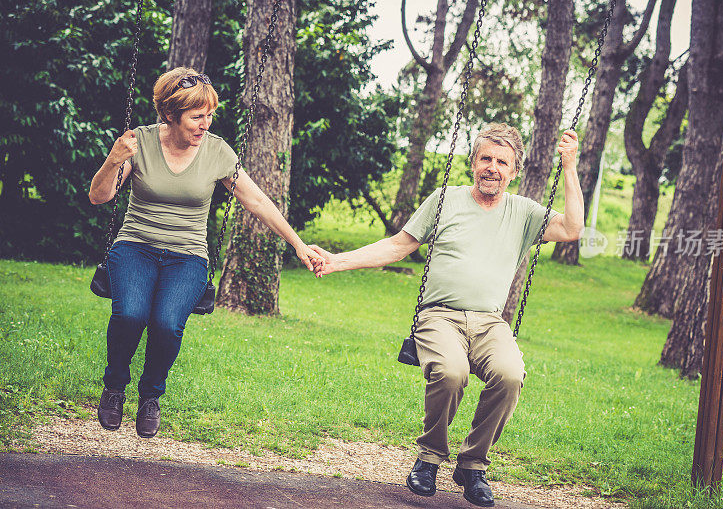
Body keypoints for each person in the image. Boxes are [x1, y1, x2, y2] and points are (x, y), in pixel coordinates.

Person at [311, 123, 583, 507]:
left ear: (514, 171)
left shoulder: (524, 212)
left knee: (510, 376)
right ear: (473, 162)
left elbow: (573, 228)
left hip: (490, 323)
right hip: (440, 316)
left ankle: (472, 465)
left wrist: (569, 167)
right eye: (485, 158)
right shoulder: (444, 200)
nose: (492, 167)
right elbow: (397, 247)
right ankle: (429, 457)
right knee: (451, 372)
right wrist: (337, 261)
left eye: (501, 161)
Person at [88, 67, 322, 438]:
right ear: (169, 114)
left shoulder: (217, 152)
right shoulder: (140, 143)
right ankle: (114, 386)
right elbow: (99, 196)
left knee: (166, 324)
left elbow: (257, 201)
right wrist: (114, 159)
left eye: (210, 115)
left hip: (188, 256)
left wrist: (297, 243)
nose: (205, 124)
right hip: (136, 246)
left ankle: (150, 395)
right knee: (131, 315)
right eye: (197, 117)